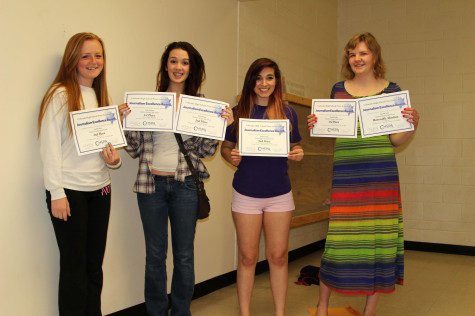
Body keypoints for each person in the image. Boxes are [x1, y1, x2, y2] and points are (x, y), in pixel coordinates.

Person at [307, 32, 420, 316]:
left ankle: (369, 311)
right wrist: (317, 124)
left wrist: (412, 125)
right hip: (347, 177)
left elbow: (396, 140)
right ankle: (322, 307)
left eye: (363, 53)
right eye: (352, 53)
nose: (357, 58)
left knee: (377, 243)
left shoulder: (392, 91)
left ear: (375, 57)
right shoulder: (338, 89)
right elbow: (333, 131)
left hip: (380, 177)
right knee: (337, 242)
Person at [121, 41, 233, 316]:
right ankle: (157, 312)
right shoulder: (148, 102)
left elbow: (206, 151)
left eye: (184, 62)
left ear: (191, 68)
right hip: (151, 187)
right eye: (173, 61)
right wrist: (125, 122)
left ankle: (181, 312)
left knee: (184, 257)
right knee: (155, 257)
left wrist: (222, 127)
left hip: (185, 187)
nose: (179, 67)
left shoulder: (202, 105)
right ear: (165, 65)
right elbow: (134, 149)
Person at [38, 32, 122, 315]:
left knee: (93, 268)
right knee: (74, 270)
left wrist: (112, 159)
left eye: (98, 55)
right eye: (86, 55)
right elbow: (48, 147)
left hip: (100, 192)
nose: (93, 61)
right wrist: (56, 193)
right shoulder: (60, 94)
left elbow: (100, 150)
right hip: (70, 194)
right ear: (72, 59)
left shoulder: (100, 97)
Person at [221, 58, 304, 316]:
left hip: (279, 193)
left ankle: (280, 313)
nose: (264, 83)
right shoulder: (237, 112)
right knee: (247, 258)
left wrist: (298, 152)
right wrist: (229, 155)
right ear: (251, 82)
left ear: (276, 81)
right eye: (258, 78)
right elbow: (225, 147)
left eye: (269, 77)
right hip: (246, 193)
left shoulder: (288, 112)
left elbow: (296, 146)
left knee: (278, 257)